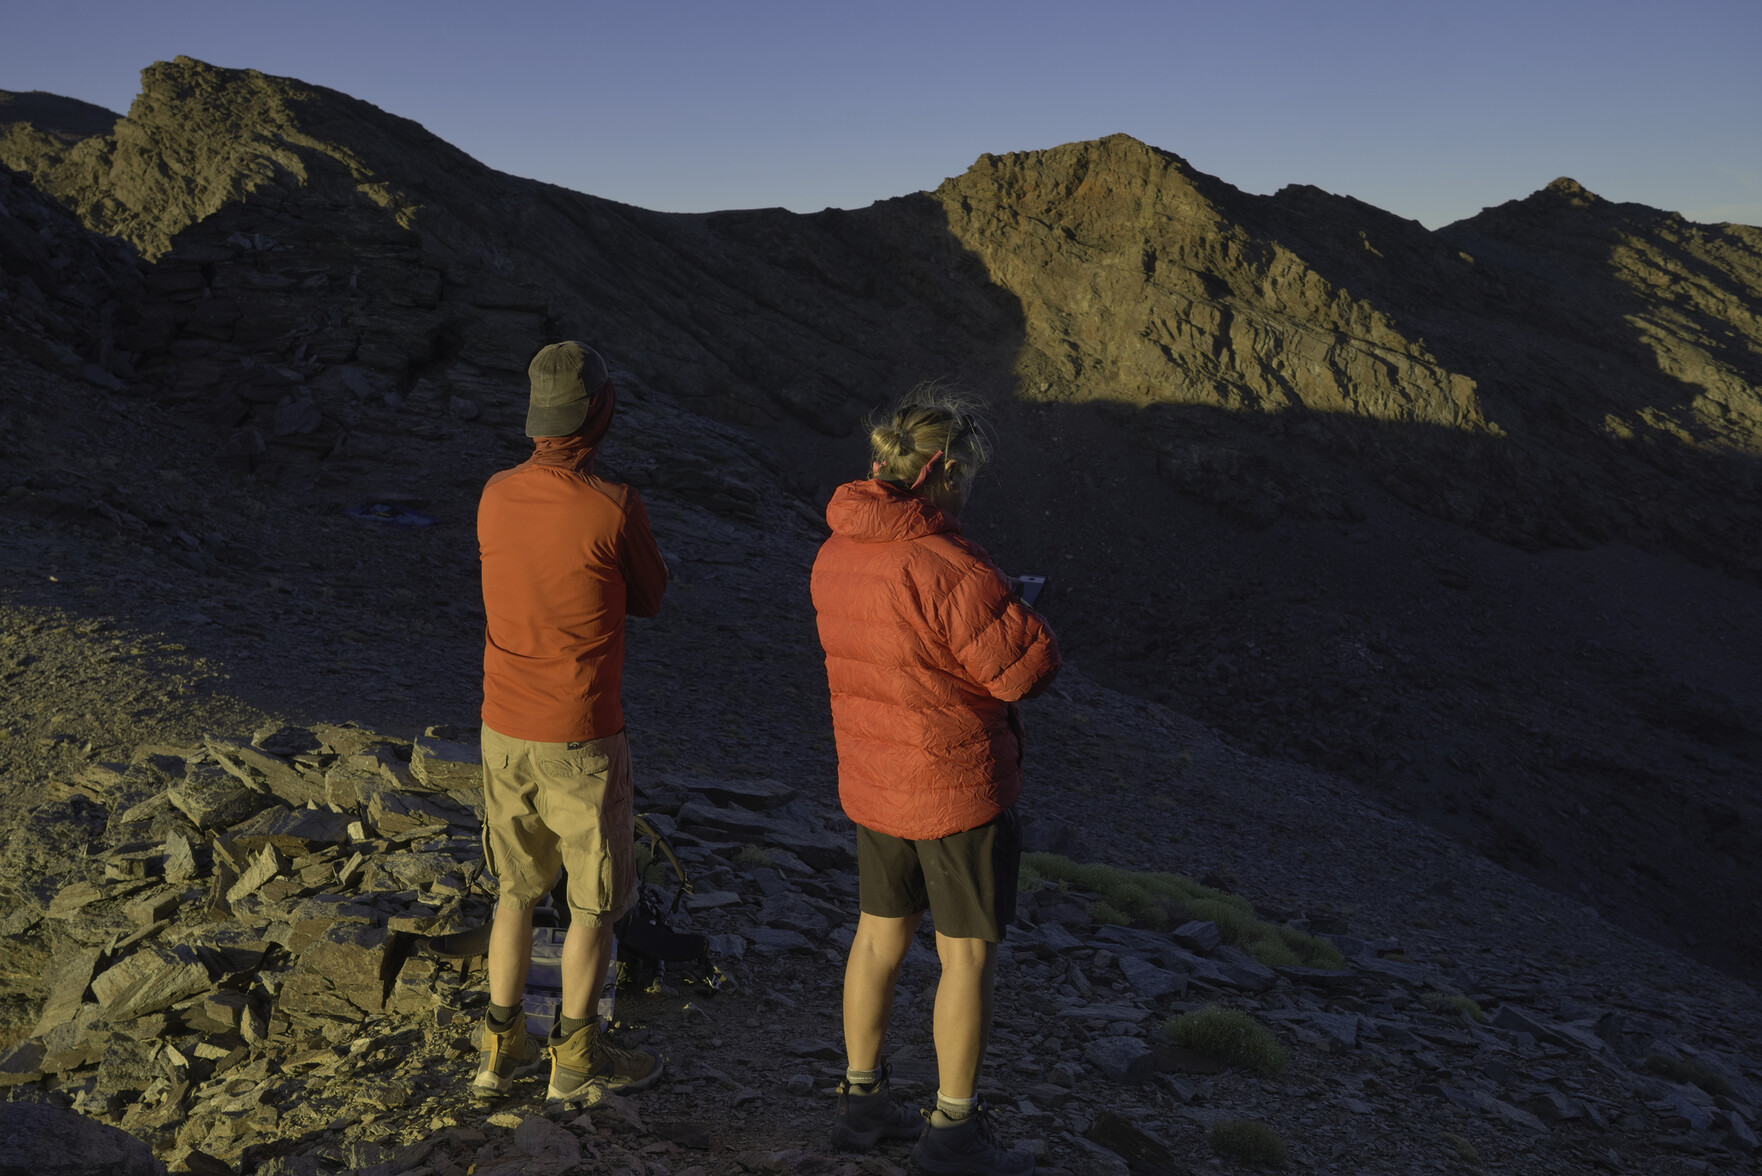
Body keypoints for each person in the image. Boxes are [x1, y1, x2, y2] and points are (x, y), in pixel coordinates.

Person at [811, 390, 1061, 1175]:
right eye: (965, 476)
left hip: (876, 780)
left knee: (878, 937)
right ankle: (952, 1131)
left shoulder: (835, 550)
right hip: (956, 787)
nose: (967, 491)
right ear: (942, 469)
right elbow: (1024, 673)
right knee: (966, 960)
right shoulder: (947, 562)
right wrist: (1017, 606)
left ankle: (860, 1104)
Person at [470, 341, 669, 1103]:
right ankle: (577, 1059)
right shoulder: (612, 504)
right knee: (594, 899)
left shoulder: (493, 493)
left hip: (502, 726)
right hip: (582, 732)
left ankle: (499, 1051)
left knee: (514, 889)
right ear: (600, 413)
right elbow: (651, 595)